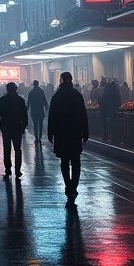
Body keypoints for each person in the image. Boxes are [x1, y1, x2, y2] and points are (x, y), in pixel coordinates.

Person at [47, 72, 88, 204]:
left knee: (64, 161)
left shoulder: (57, 96)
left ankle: (68, 186)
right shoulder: (77, 95)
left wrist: (50, 132)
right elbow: (83, 115)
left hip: (61, 133)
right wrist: (85, 132)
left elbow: (51, 116)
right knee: (76, 161)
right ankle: (74, 187)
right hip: (75, 132)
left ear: (61, 80)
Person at [0, 82, 28, 180]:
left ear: (7, 89)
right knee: (18, 149)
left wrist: (1, 122)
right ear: (16, 89)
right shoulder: (20, 100)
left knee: (7, 149)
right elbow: (24, 115)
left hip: (6, 127)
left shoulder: (2, 100)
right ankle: (18, 170)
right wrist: (23, 126)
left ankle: (8, 168)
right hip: (17, 127)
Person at [99, 78, 121, 143]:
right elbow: (118, 101)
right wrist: (118, 107)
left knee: (105, 123)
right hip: (113, 109)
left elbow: (103, 101)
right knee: (113, 123)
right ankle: (114, 136)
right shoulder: (115, 91)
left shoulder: (105, 92)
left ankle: (105, 135)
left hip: (105, 109)